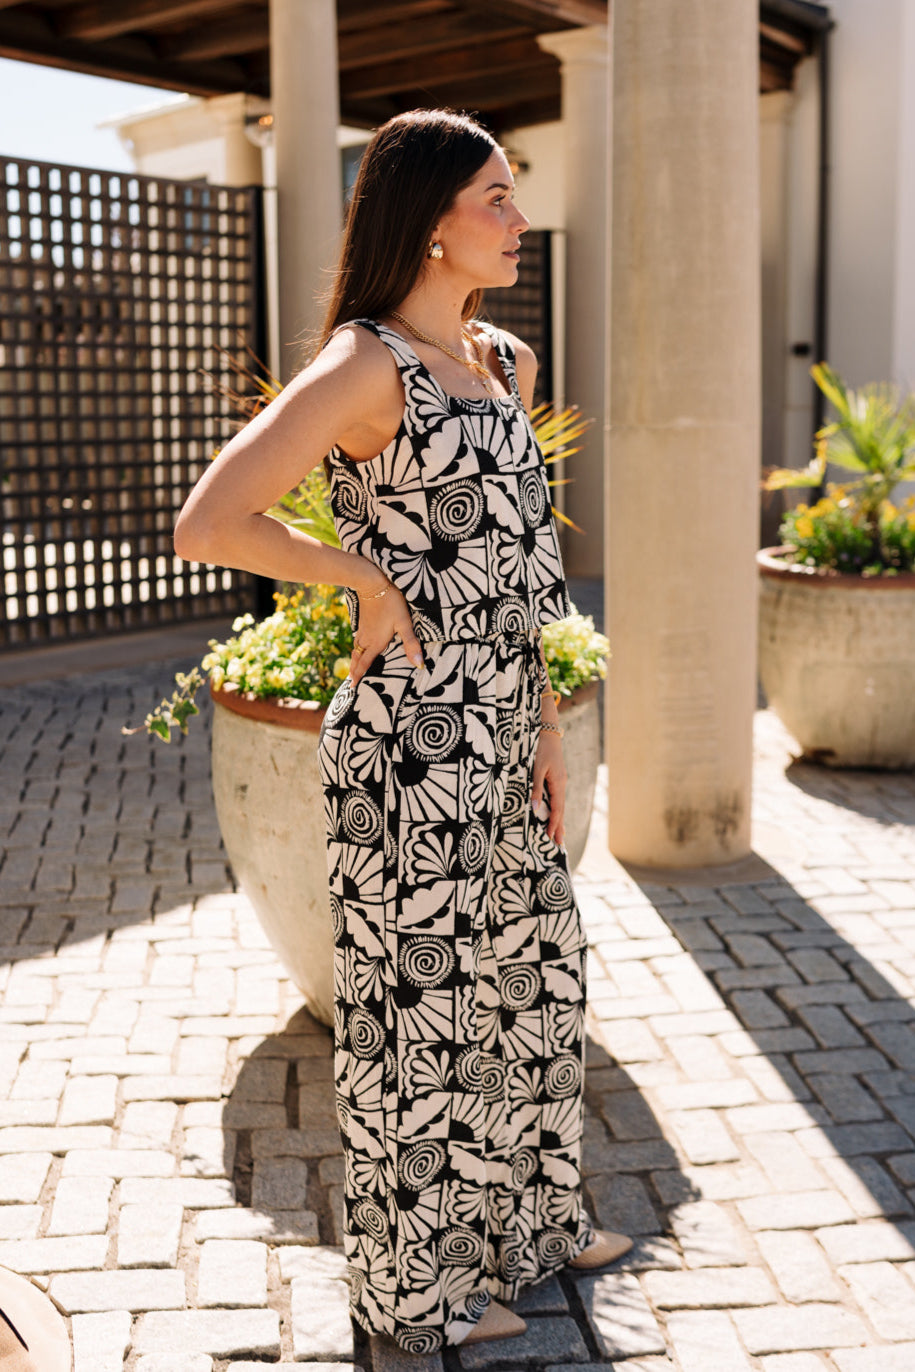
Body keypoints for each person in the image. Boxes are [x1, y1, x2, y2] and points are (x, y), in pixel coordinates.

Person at [175, 108, 630, 1352]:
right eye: (496, 194)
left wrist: (543, 723)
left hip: (501, 732)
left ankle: (533, 1230)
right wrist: (357, 577)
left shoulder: (506, 363)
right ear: (431, 219)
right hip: (409, 745)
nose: (519, 216)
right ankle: (417, 1293)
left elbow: (523, 569)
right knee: (422, 1021)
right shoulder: (368, 367)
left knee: (532, 988)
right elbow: (212, 518)